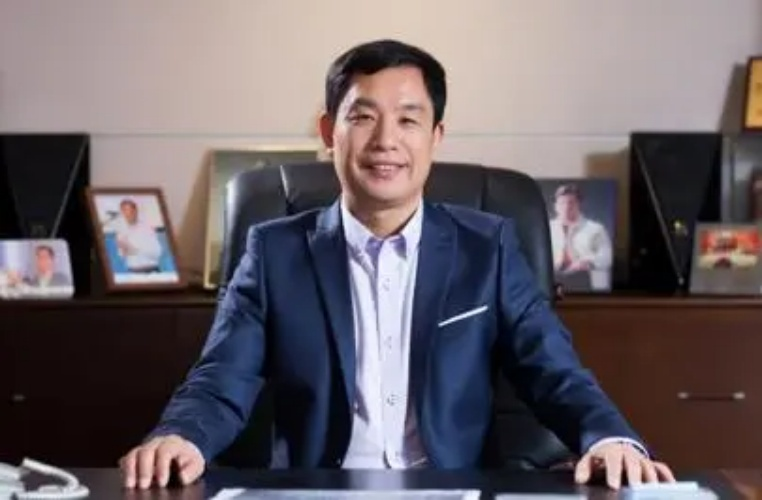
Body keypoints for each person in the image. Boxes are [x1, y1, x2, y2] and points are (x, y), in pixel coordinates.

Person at [120, 39, 675, 491]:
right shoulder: (275, 252)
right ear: (328, 133)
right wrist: (180, 436)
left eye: (409, 120)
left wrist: (610, 439)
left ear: (435, 137)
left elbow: (553, 369)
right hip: (319, 491)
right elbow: (222, 378)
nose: (386, 141)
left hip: (453, 490)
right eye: (363, 117)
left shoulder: (487, 247)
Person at [549, 184, 613, 291]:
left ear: (579, 204)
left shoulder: (596, 229)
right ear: (555, 206)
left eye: (571, 202)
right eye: (562, 203)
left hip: (585, 281)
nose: (566, 207)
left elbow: (607, 257)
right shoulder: (546, 228)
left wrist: (588, 262)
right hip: (553, 281)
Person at [113, 199, 162, 273]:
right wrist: (123, 250)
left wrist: (135, 249)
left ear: (135, 211)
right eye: (123, 210)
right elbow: (122, 254)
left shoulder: (147, 227)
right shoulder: (121, 231)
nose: (126, 213)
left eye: (128, 210)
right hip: (133, 271)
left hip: (150, 270)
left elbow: (157, 252)